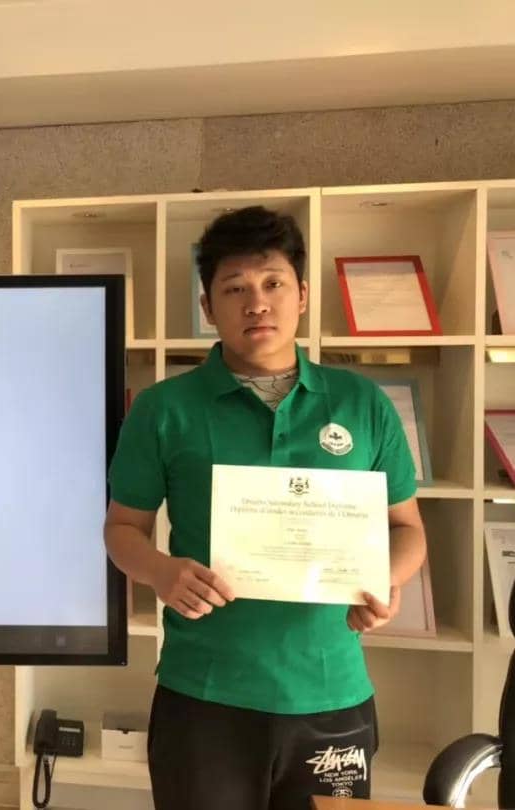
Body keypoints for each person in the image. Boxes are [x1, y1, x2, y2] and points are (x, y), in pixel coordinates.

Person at [103, 206, 427, 810]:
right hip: (205, 692)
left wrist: (388, 577)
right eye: (235, 289)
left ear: (301, 295)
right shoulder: (163, 409)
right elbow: (123, 529)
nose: (257, 303)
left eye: (273, 283)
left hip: (330, 692)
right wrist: (161, 571)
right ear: (208, 308)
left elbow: (406, 528)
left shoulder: (361, 403)